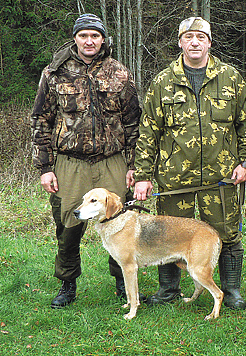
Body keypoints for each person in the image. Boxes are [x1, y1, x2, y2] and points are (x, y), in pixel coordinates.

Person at [133, 17, 246, 310]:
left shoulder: (230, 78)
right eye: (189, 37)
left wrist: (245, 161)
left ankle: (231, 289)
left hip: (221, 176)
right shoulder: (163, 81)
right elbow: (148, 130)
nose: (195, 42)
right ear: (180, 42)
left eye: (201, 37)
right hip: (175, 178)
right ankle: (168, 289)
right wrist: (142, 176)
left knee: (226, 232)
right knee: (166, 234)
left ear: (210, 42)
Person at [31, 13, 141, 309]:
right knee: (67, 225)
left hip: (112, 160)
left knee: (119, 221)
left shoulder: (119, 72)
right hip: (70, 162)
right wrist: (45, 168)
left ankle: (122, 280)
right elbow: (41, 120)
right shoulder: (54, 72)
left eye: (95, 35)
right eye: (84, 35)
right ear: (75, 38)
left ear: (103, 39)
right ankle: (68, 284)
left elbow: (133, 122)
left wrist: (134, 166)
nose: (89, 41)